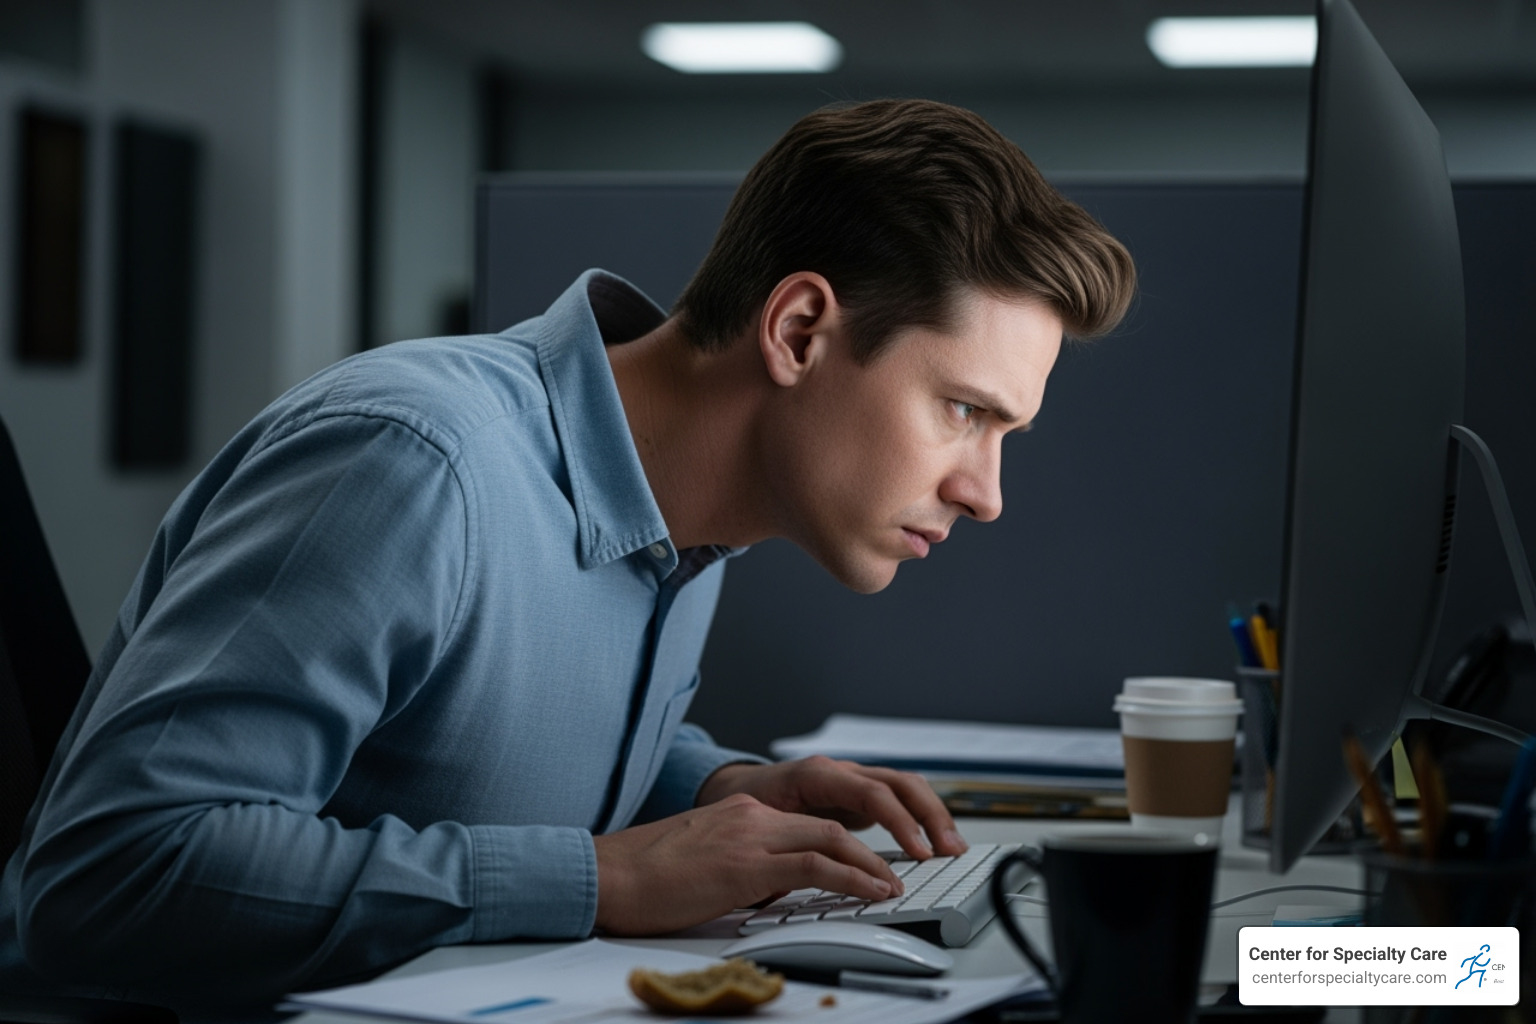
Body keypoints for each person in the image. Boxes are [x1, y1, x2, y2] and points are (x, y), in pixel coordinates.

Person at [0, 99, 1134, 1015]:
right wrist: (606, 880)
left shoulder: (695, 510)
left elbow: (473, 733)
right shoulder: (414, 467)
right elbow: (110, 871)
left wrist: (714, 785)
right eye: (961, 411)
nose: (984, 494)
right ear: (798, 332)